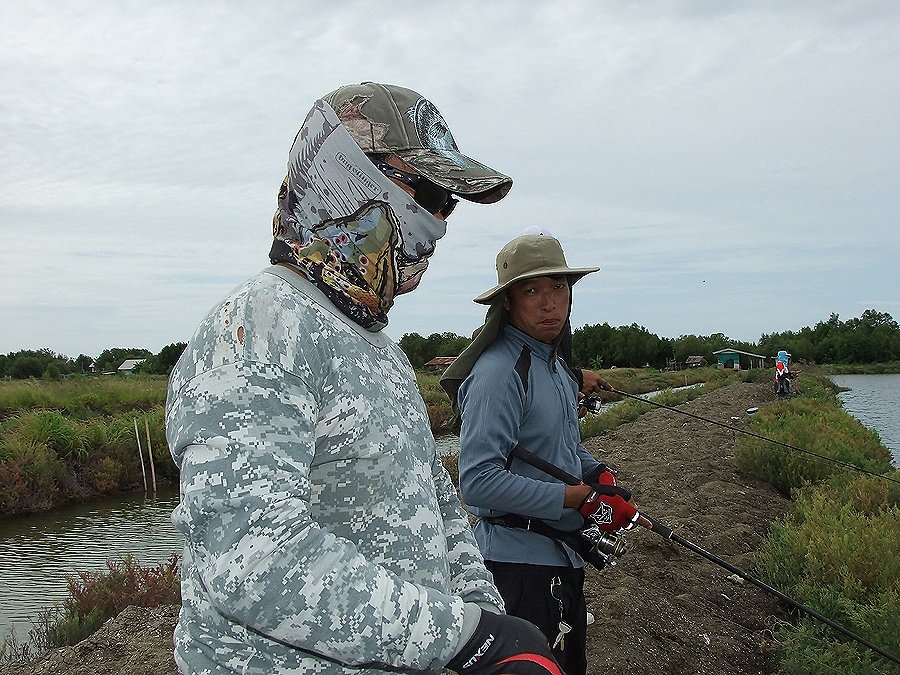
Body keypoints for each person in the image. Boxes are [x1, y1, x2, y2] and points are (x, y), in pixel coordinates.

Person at [165, 82, 563, 675]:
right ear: (344, 180)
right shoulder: (260, 325)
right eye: (428, 195)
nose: (437, 223)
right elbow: (250, 559)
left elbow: (439, 510)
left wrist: (489, 622)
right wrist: (463, 638)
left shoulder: (380, 349)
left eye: (447, 205)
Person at [440, 234, 641, 675]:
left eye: (559, 288)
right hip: (516, 571)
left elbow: (563, 448)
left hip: (560, 560)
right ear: (508, 303)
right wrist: (575, 499)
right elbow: (477, 482)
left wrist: (600, 477)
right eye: (532, 290)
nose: (549, 303)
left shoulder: (553, 367)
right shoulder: (498, 373)